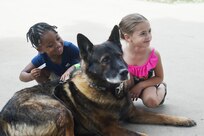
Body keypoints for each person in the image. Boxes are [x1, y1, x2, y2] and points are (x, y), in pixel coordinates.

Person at [119, 13, 167, 108]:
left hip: (147, 85)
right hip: (127, 86)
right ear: (128, 37)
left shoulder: (154, 54)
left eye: (149, 31)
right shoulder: (120, 55)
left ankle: (162, 89)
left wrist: (140, 86)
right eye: (143, 33)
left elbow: (159, 77)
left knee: (151, 101)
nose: (148, 36)